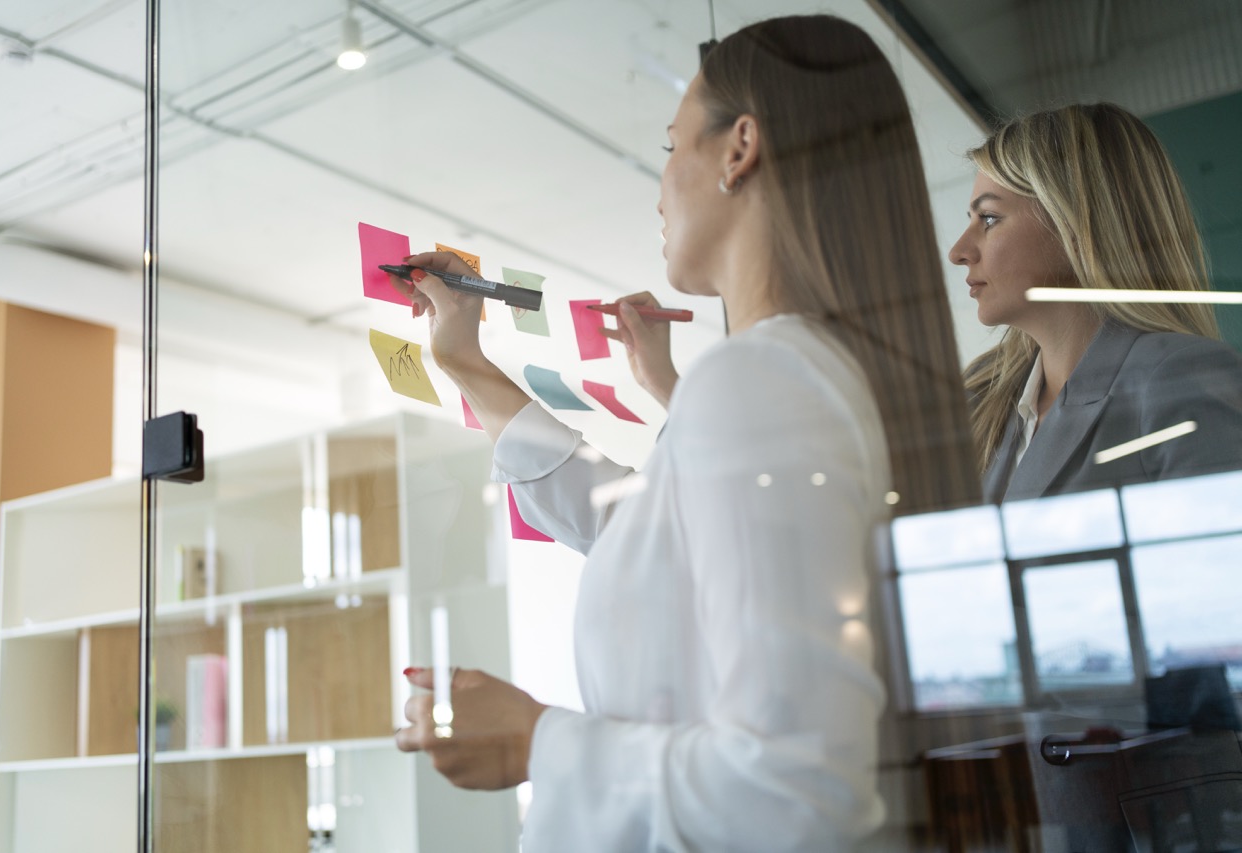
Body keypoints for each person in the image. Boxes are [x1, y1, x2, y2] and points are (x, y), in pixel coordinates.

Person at [392, 14, 979, 851]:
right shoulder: (810, 373)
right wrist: (467, 364)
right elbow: (632, 524)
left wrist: (535, 738)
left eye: (672, 147)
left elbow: (796, 790)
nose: (661, 184)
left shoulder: (764, 378)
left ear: (740, 148)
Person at [951, 102, 1242, 503]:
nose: (959, 251)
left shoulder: (1176, 380)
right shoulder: (983, 400)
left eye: (988, 219)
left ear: (1073, 222)